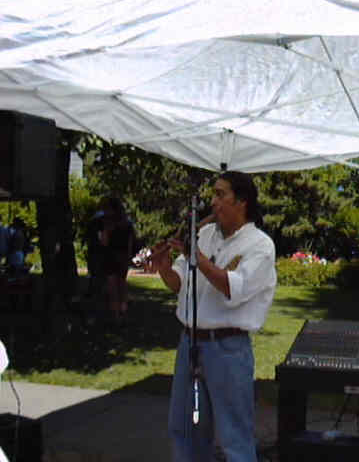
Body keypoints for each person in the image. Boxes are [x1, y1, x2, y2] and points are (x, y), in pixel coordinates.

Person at [150, 171, 276, 462]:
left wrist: (199, 258)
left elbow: (233, 288)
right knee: (185, 428)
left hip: (228, 348)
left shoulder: (259, 245)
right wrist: (165, 267)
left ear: (242, 201)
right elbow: (179, 283)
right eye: (213, 194)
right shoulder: (204, 234)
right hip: (190, 344)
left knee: (234, 437)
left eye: (221, 194)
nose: (213, 201)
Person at [99, 197, 135, 324]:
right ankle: (123, 311)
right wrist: (129, 257)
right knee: (122, 285)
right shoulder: (128, 224)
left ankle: (116, 316)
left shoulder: (108, 223)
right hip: (123, 257)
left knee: (113, 287)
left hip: (111, 257)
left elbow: (104, 241)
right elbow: (131, 243)